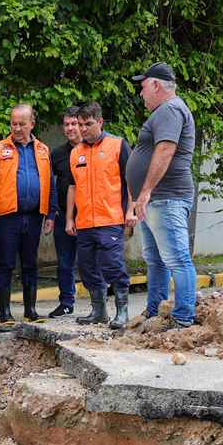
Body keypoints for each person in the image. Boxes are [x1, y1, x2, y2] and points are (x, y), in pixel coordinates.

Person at [129, 63, 198, 328]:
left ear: (156, 85)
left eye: (143, 87)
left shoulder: (170, 110)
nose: (141, 93)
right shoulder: (165, 111)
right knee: (155, 259)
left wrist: (145, 192)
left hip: (166, 197)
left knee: (177, 259)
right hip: (156, 199)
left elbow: (166, 150)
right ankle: (155, 311)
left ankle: (182, 318)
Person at [0, 103, 56, 323]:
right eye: (14, 123)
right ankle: (5, 313)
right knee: (6, 263)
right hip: (7, 216)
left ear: (32, 124)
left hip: (34, 216)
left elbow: (49, 183)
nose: (17, 128)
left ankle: (30, 310)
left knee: (31, 263)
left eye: (22, 124)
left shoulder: (43, 150)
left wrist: (50, 214)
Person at [64, 102, 134, 329]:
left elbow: (131, 180)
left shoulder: (118, 145)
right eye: (80, 124)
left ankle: (122, 312)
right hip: (84, 222)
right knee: (86, 268)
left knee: (112, 265)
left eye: (88, 124)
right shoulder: (76, 153)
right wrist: (69, 218)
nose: (83, 129)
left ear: (100, 122)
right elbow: (73, 187)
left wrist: (131, 210)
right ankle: (99, 311)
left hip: (110, 219)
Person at [49, 106, 82, 318]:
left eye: (74, 124)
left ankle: (101, 305)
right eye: (66, 124)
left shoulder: (93, 150)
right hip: (63, 216)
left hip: (89, 217)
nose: (70, 128)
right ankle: (66, 302)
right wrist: (51, 214)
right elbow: (51, 186)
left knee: (92, 262)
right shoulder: (58, 154)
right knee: (64, 262)